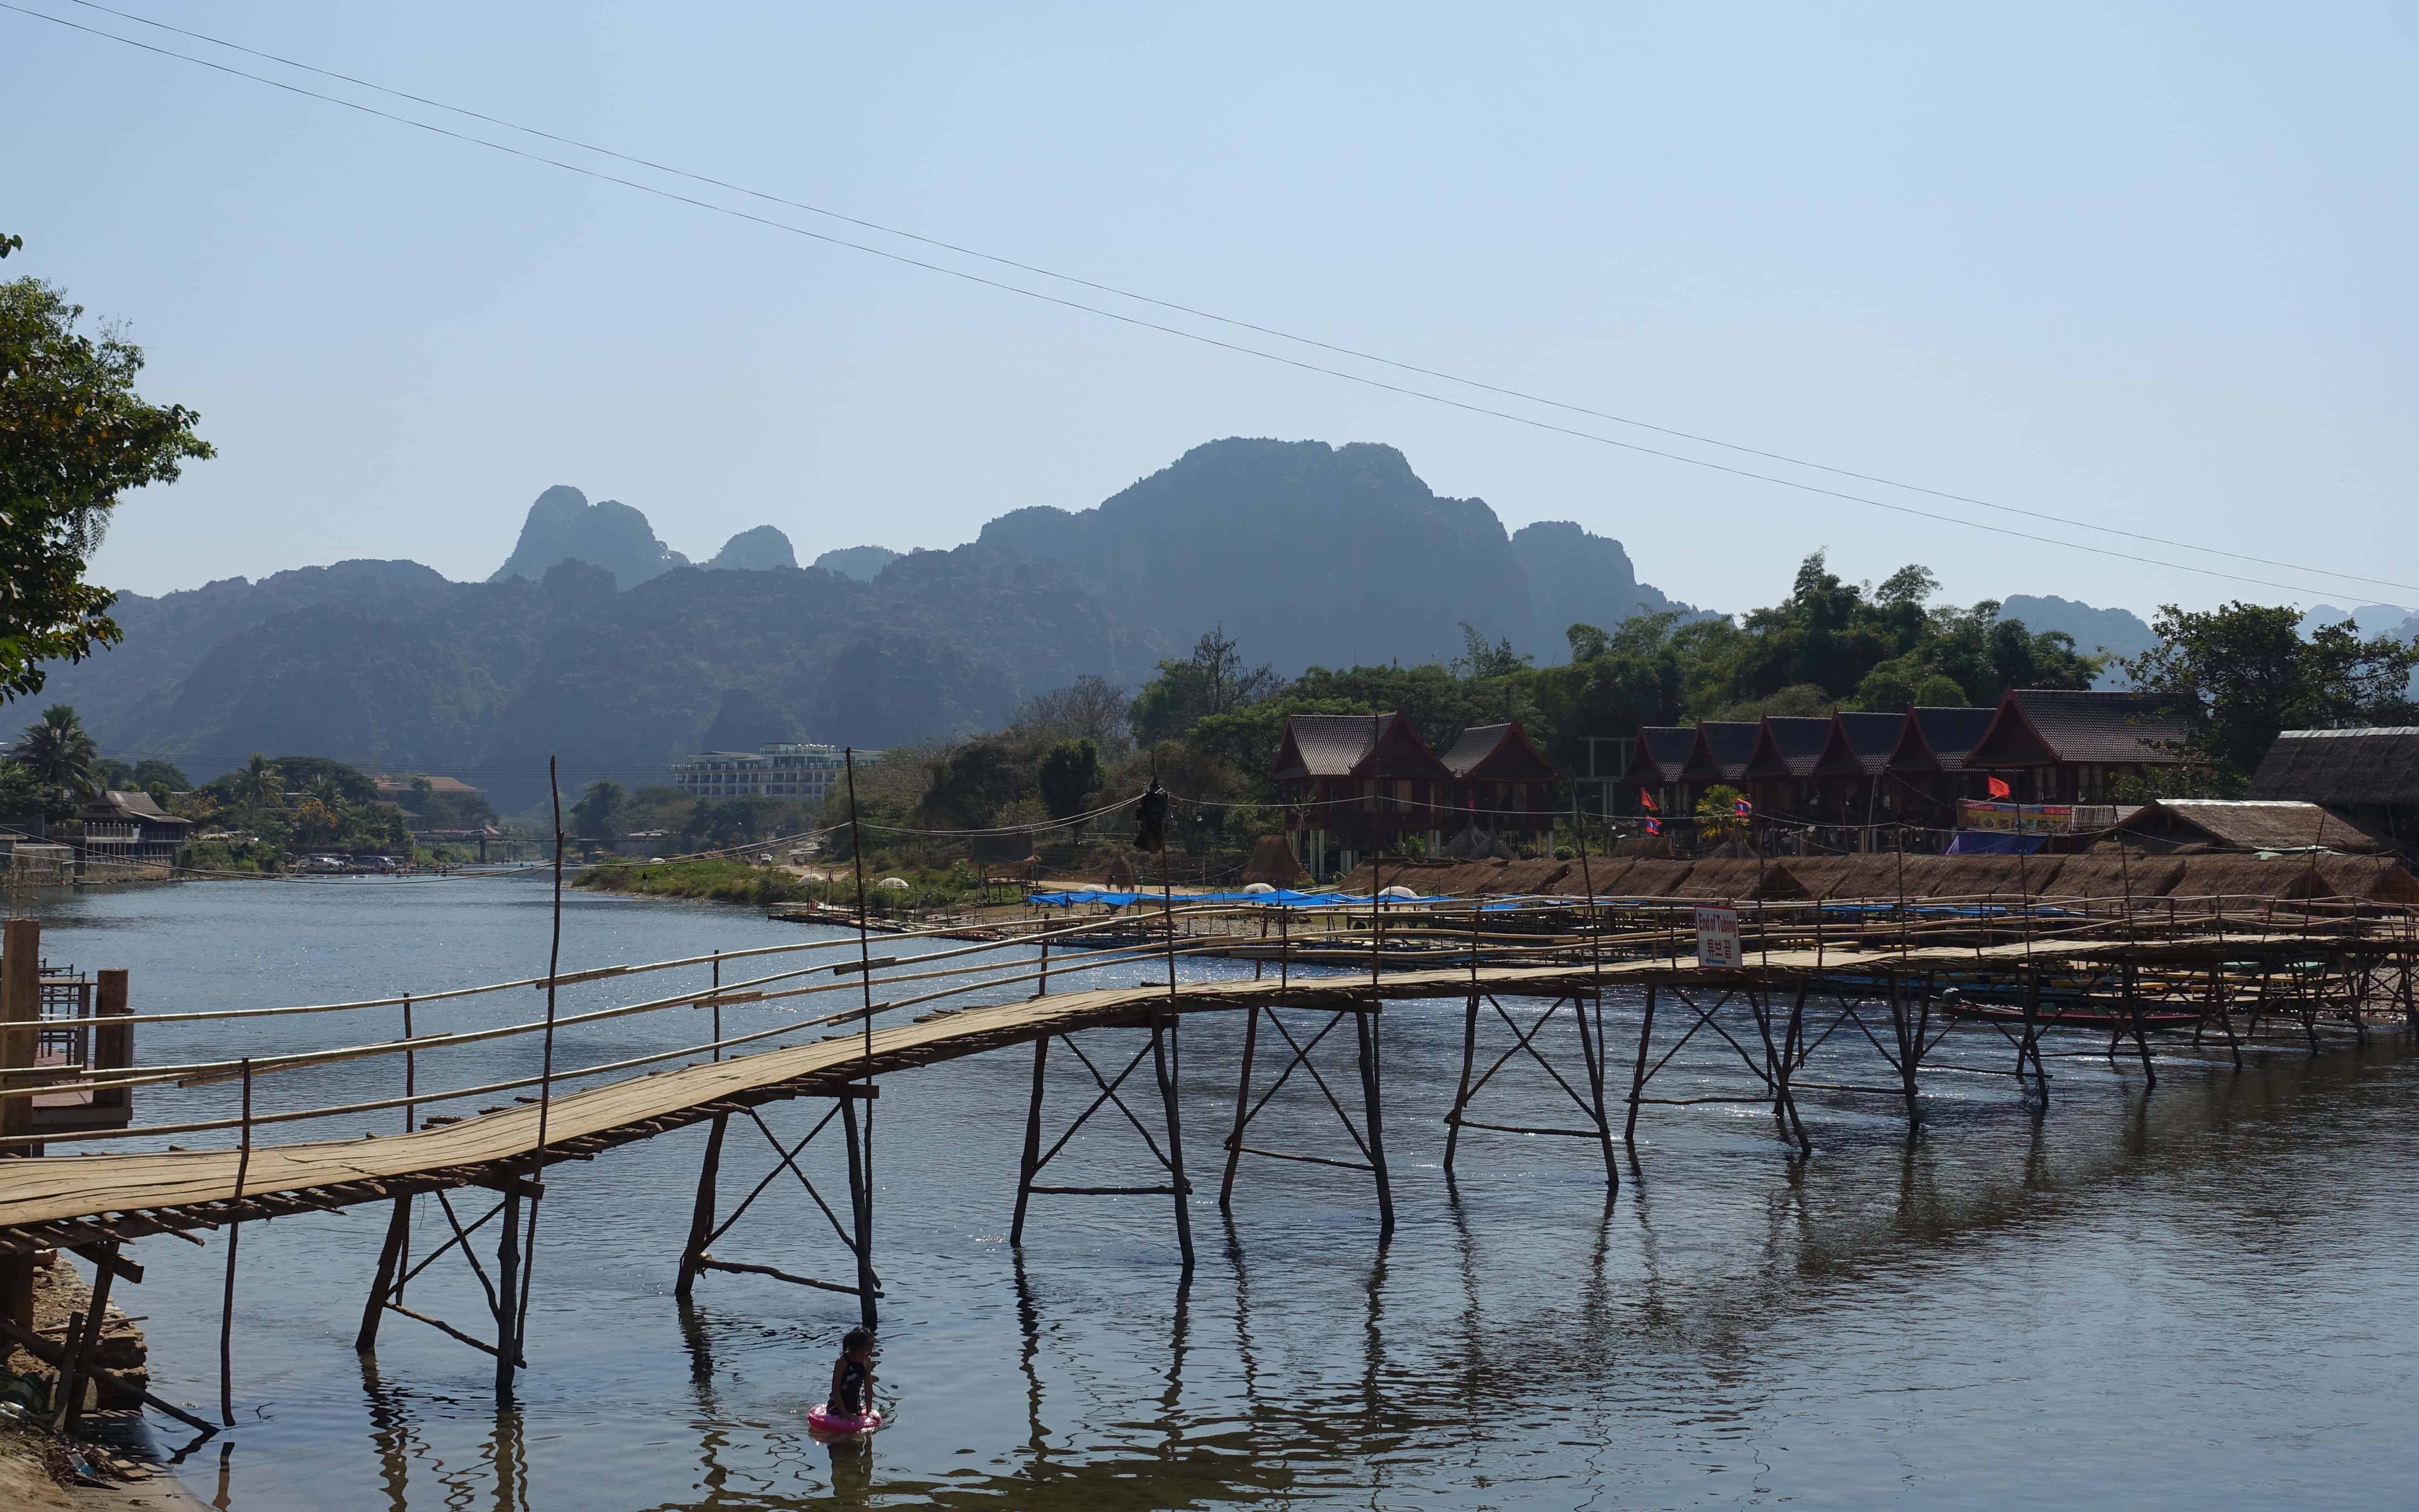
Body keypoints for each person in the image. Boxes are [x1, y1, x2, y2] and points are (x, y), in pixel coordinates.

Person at [827, 1326, 877, 1420]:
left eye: (870, 1351)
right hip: (837, 1407)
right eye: (865, 1352)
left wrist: (869, 1411)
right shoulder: (842, 1361)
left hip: (855, 1406)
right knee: (842, 1435)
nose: (868, 1354)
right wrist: (845, 1413)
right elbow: (835, 1390)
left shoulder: (867, 1360)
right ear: (853, 1349)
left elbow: (868, 1387)